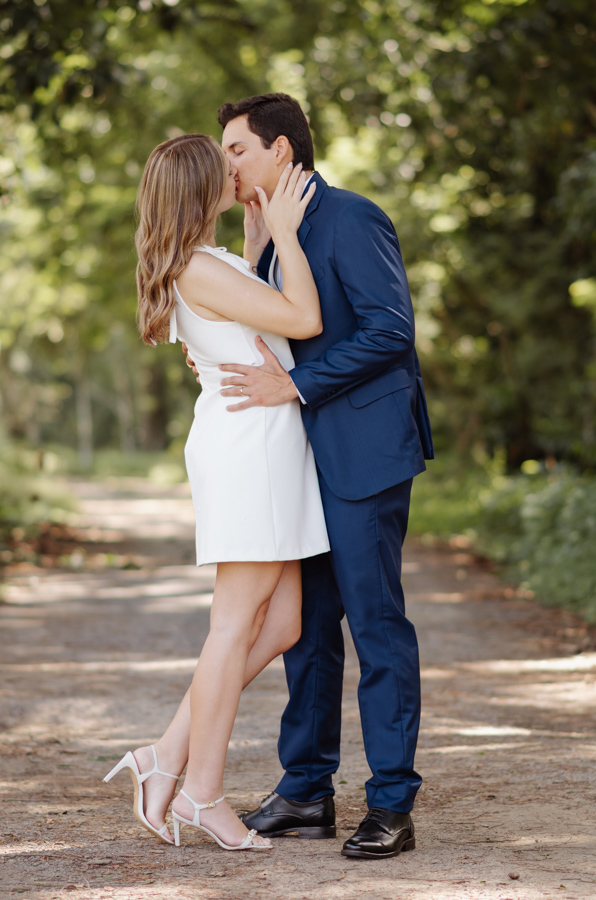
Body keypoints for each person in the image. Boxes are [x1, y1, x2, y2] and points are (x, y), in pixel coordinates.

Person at [207, 93, 434, 860]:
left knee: (375, 625)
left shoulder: (351, 216)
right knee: (304, 631)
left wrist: (295, 385)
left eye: (237, 148)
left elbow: (390, 330)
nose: (227, 164)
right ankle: (306, 789)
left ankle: (392, 802)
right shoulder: (269, 234)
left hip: (364, 451)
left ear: (281, 150)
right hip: (296, 461)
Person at [103, 133, 330, 852]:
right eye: (223, 165)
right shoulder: (199, 267)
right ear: (201, 186)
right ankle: (201, 793)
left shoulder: (207, 260)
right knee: (233, 625)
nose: (236, 171)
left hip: (264, 445)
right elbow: (303, 319)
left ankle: (165, 752)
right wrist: (286, 234)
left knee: (282, 623)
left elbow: (250, 324)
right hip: (249, 450)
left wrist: (259, 243)